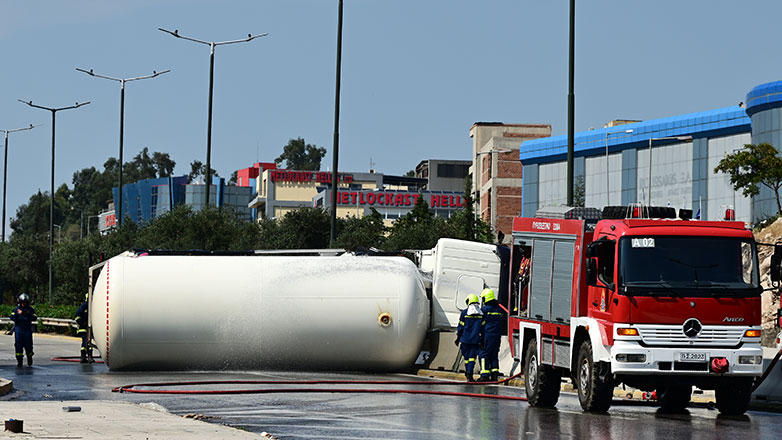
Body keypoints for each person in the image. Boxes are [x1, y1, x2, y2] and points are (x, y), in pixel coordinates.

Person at [455, 294, 483, 382]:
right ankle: (469, 374)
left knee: (466, 358)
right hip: (475, 340)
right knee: (472, 359)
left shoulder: (464, 313)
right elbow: (482, 329)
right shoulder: (481, 314)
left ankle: (468, 373)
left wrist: (458, 338)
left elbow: (461, 327)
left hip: (465, 340)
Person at [478, 288, 504, 382]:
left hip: (487, 336)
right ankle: (494, 375)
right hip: (497, 335)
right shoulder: (499, 309)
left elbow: (480, 322)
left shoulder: (485, 309)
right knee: (494, 355)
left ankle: (484, 375)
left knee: (484, 354)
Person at [10, 293, 36, 367]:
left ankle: (29, 358)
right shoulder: (16, 309)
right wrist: (18, 314)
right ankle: (19, 361)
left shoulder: (30, 309)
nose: (24, 304)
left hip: (27, 330)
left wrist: (28, 314)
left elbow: (35, 317)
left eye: (25, 302)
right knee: (18, 345)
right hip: (19, 330)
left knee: (29, 345)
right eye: (23, 302)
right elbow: (11, 317)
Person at [75, 294, 91, 363]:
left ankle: (89, 356)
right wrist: (82, 323)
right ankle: (84, 357)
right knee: (85, 340)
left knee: (89, 342)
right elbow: (77, 317)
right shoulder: (84, 306)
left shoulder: (92, 307)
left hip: (89, 328)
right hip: (83, 328)